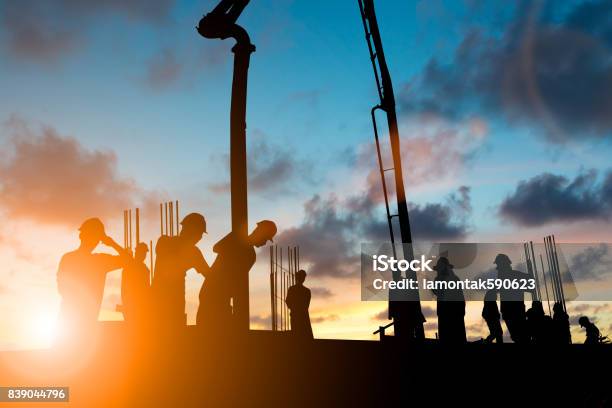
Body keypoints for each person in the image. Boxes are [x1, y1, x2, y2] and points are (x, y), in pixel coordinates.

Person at [197, 220, 276, 332]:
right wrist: (235, 245)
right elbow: (216, 248)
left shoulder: (251, 255)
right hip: (212, 290)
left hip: (224, 296)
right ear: (259, 232)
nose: (264, 243)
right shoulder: (237, 238)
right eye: (265, 238)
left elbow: (239, 281)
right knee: (205, 328)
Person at [57, 218, 129, 339]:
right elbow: (128, 260)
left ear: (81, 235)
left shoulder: (70, 258)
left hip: (69, 323)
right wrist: (111, 243)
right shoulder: (99, 261)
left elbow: (62, 289)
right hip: (79, 324)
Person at [152, 213, 210, 326]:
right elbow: (210, 275)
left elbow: (210, 275)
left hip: (169, 305)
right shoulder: (165, 242)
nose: (200, 238)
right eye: (199, 233)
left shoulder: (166, 242)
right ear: (192, 231)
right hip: (162, 305)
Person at [494, 254, 530, 343]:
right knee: (518, 336)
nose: (498, 269)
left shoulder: (515, 276)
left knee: (520, 336)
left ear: (504, 265)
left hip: (514, 310)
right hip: (511, 311)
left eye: (499, 266)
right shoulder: (515, 275)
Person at [431, 257, 466, 344]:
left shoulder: (439, 279)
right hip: (455, 312)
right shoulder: (455, 279)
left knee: (447, 337)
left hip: (448, 313)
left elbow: (438, 293)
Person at [121, 242, 151, 324]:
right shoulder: (129, 267)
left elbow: (147, 290)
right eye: (142, 252)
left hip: (142, 308)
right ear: (137, 252)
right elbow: (124, 290)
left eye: (145, 253)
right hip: (131, 307)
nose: (144, 255)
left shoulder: (145, 270)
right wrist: (126, 306)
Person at [285, 269, 313, 339]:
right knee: (301, 335)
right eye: (302, 277)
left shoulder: (293, 289)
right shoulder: (306, 291)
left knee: (298, 335)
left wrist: (293, 309)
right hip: (301, 315)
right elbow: (288, 301)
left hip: (298, 315)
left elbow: (288, 301)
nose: (303, 279)